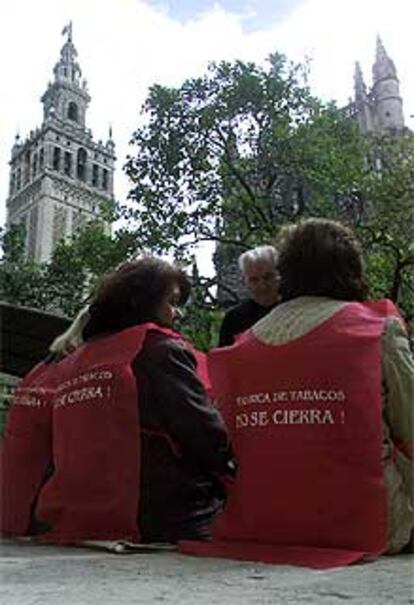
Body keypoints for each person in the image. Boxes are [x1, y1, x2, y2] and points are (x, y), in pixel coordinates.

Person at [182, 218, 413, 567]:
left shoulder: (243, 344)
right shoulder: (376, 328)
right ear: (350, 269)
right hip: (366, 522)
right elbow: (409, 420)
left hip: (265, 520)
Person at [1, 257, 235, 544]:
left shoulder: (75, 360)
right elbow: (206, 436)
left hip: (76, 517)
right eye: (172, 301)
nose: (178, 314)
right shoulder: (161, 349)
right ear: (142, 301)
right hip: (161, 517)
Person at [218, 245, 280, 346]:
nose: (262, 286)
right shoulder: (234, 319)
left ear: (278, 275)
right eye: (254, 280)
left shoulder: (295, 310)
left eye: (267, 277)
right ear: (244, 282)